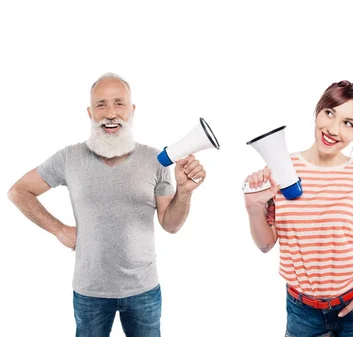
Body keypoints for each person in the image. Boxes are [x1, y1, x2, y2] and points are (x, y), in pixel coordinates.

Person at [7, 73, 206, 337]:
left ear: (132, 110)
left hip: (144, 291)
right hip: (90, 292)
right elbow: (19, 191)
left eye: (119, 103)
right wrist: (58, 229)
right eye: (101, 105)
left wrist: (185, 191)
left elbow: (170, 225)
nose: (110, 113)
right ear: (90, 112)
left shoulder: (156, 160)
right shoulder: (69, 158)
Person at [243, 80, 353, 337]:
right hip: (303, 313)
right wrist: (254, 209)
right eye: (329, 113)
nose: (332, 129)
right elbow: (265, 245)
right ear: (318, 111)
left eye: (348, 123)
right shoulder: (281, 171)